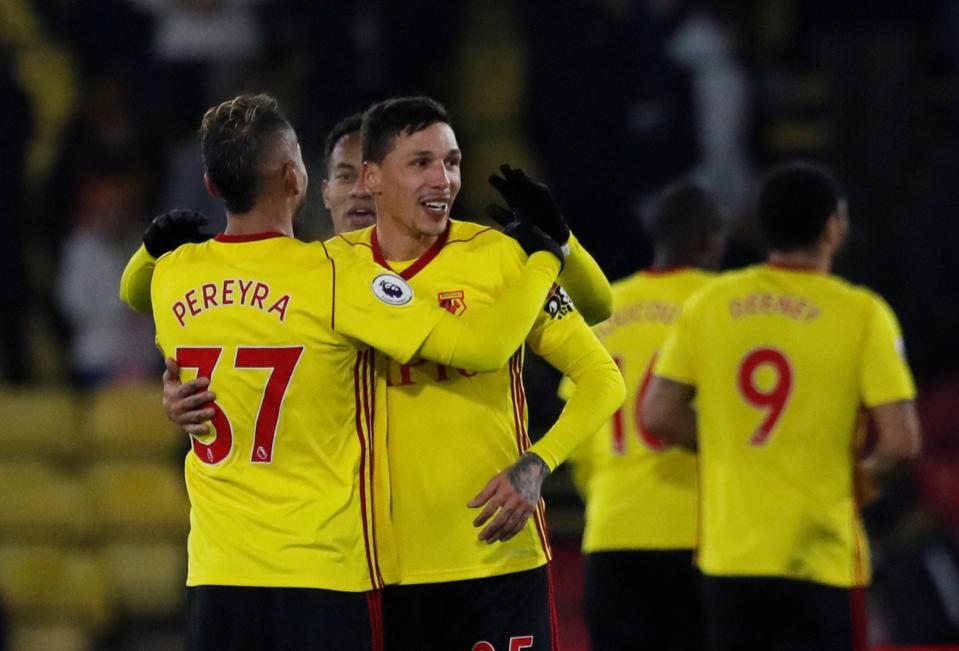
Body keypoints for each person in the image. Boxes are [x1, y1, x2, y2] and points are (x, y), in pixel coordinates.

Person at [130, 93, 567, 651]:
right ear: (296, 177)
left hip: (218, 572)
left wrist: (148, 253)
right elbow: (482, 347)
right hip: (324, 571)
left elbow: (132, 291)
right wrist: (545, 257)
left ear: (212, 186)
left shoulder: (171, 277)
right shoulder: (335, 275)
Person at [327, 95, 623, 651]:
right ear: (372, 178)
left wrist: (538, 463)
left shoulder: (497, 257)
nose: (443, 179)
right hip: (380, 566)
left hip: (498, 560)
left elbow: (603, 375)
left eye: (453, 162)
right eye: (420, 163)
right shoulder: (336, 270)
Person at [643, 162, 921, 651]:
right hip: (820, 553)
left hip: (731, 555)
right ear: (833, 228)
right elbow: (901, 442)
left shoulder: (711, 303)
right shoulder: (862, 313)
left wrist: (731, 450)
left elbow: (659, 414)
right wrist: (860, 481)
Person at [560, 181, 724, 651]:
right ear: (709, 240)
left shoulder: (603, 312)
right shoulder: (722, 306)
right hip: (705, 532)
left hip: (612, 536)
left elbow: (579, 431)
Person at [321, 112, 376, 234]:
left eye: (373, 176)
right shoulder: (304, 254)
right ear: (326, 194)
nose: (361, 191)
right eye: (346, 177)